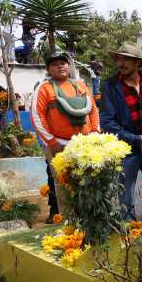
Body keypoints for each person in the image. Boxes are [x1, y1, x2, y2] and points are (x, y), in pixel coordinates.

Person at [31, 52, 100, 221]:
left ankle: (88, 218)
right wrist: (52, 142)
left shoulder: (81, 86)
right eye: (55, 64)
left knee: (87, 182)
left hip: (85, 145)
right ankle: (63, 220)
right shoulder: (44, 88)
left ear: (69, 67)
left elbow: (93, 110)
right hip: (59, 145)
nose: (60, 66)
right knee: (61, 184)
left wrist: (95, 133)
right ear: (48, 69)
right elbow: (37, 116)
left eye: (63, 63)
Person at [101, 42, 142, 220]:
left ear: (137, 63)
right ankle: (129, 237)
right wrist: (135, 138)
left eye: (126, 59)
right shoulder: (110, 85)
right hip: (126, 149)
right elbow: (107, 121)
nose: (121, 63)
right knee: (125, 196)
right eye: (119, 59)